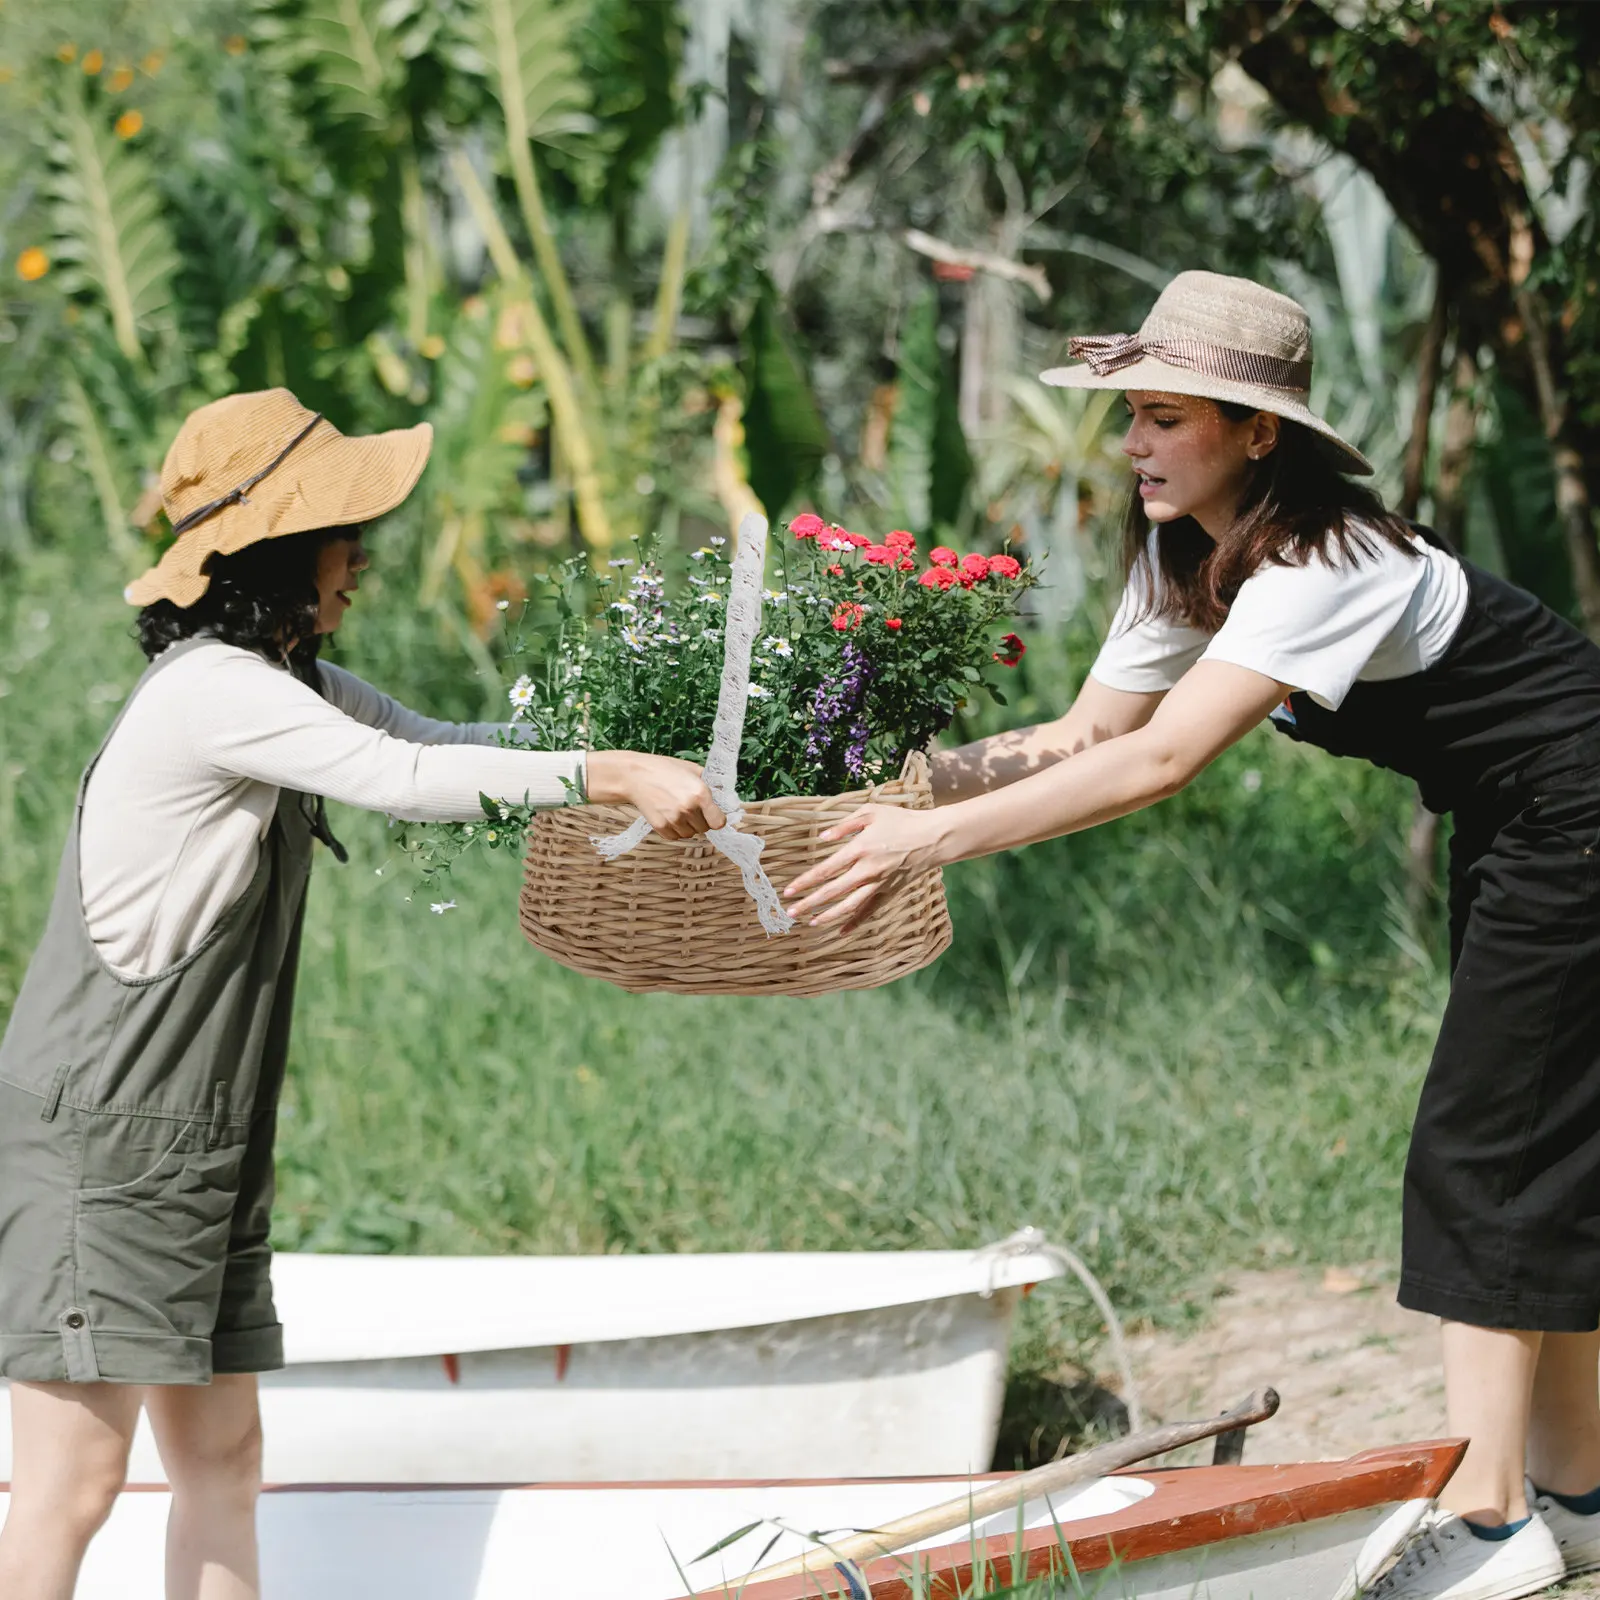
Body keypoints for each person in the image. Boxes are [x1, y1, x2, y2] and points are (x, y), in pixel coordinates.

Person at [787, 270, 1600, 1600]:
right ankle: (1577, 1497)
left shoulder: (1327, 561)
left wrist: (926, 846)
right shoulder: (1185, 557)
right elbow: (1082, 734)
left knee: (1487, 1153)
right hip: (1524, 822)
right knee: (1534, 1151)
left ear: (1258, 432)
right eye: (1133, 416)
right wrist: (884, 792)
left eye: (1166, 418)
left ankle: (1492, 1518)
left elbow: (1162, 761)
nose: (1135, 444)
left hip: (1575, 818)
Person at [0, 388, 723, 1600]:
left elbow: (437, 741)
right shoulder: (213, 693)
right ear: (283, 549)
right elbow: (399, 779)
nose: (361, 561)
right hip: (101, 1145)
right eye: (345, 535)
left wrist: (631, 754)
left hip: (197, 1144)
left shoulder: (286, 682)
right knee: (71, 1485)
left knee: (223, 1458)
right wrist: (606, 774)